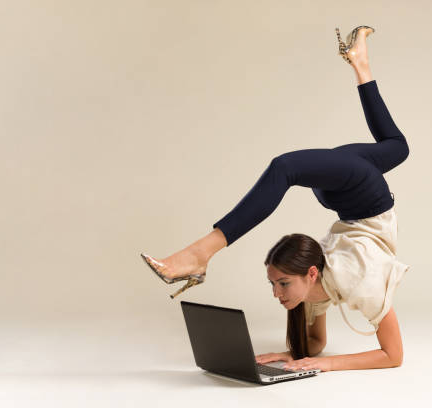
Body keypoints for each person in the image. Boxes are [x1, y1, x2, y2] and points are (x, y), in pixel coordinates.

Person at [141, 25, 411, 372]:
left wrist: (303, 359)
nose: (277, 293)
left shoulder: (313, 292)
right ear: (312, 274)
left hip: (350, 193)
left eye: (281, 283)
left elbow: (377, 354)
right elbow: (392, 355)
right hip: (365, 198)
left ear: (310, 275)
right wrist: (308, 358)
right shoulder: (359, 279)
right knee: (289, 168)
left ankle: (201, 252)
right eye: (276, 283)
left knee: (386, 150)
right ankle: (360, 62)